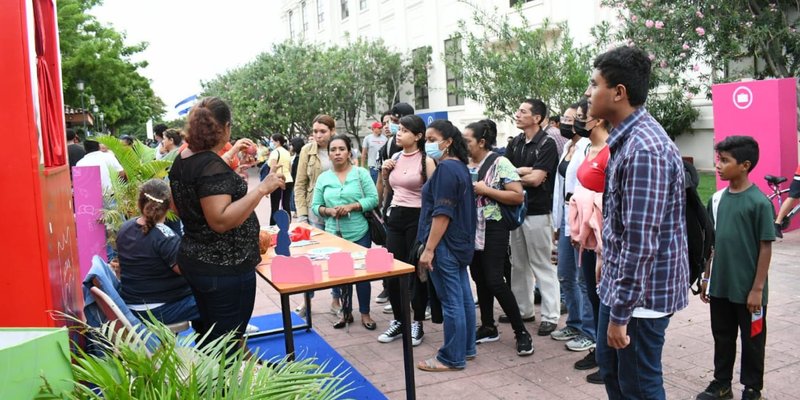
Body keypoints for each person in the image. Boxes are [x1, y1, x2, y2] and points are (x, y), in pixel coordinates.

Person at [588, 46, 688, 399]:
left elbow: (641, 242)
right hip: (623, 287)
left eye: (594, 83)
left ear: (619, 92)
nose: (588, 92)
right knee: (615, 373)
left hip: (641, 297)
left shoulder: (644, 149)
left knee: (639, 386)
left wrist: (620, 314)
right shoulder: (627, 139)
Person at [168, 96, 285, 348]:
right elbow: (220, 221)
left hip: (199, 260)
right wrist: (262, 189)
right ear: (226, 127)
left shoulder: (184, 159)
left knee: (211, 338)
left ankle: (220, 380)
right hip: (222, 269)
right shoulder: (210, 166)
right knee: (227, 344)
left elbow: (182, 201)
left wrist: (232, 155)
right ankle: (226, 386)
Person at [696, 136, 774, 400]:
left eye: (725, 160)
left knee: (753, 341)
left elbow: (765, 247)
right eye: (719, 159)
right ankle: (722, 384)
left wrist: (757, 289)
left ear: (745, 165)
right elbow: (713, 244)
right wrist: (707, 277)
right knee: (723, 337)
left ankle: (753, 388)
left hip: (750, 292)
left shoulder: (759, 203)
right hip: (721, 287)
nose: (718, 165)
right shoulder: (716, 200)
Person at [463, 119, 534, 356]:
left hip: (494, 226)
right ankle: (488, 326)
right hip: (471, 228)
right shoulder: (464, 163)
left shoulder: (500, 162)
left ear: (482, 142)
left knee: (494, 279)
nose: (464, 145)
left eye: (468, 141)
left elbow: (517, 196)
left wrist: (486, 190)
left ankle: (521, 331)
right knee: (479, 278)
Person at [416, 120, 477, 372]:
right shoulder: (459, 167)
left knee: (452, 301)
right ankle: (466, 348)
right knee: (462, 298)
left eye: (432, 140)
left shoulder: (446, 170)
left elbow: (442, 213)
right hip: (458, 242)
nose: (428, 144)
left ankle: (451, 357)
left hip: (445, 244)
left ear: (448, 141)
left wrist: (429, 249)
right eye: (426, 140)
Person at [377, 115, 436, 346]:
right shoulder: (395, 157)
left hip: (417, 217)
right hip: (396, 215)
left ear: (418, 136)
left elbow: (432, 195)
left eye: (404, 130)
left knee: (414, 272)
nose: (398, 133)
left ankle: (417, 321)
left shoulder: (426, 161)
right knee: (392, 270)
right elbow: (388, 188)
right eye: (398, 129)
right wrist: (384, 172)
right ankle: (399, 320)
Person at [503, 98, 560, 337]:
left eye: (523, 111)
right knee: (518, 265)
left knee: (542, 264)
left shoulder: (546, 144)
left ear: (537, 118)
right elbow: (502, 172)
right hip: (516, 212)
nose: (517, 114)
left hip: (538, 211)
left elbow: (537, 180)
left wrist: (519, 175)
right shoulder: (515, 143)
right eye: (518, 110)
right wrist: (523, 172)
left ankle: (550, 316)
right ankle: (523, 310)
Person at [311, 135, 378, 330]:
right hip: (334, 233)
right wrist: (327, 211)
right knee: (340, 275)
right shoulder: (324, 178)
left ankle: (365, 313)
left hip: (359, 232)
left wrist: (353, 206)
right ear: (329, 154)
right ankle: (345, 313)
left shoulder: (360, 174)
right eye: (333, 150)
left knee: (362, 274)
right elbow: (316, 206)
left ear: (349, 152)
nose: (337, 153)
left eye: (341, 149)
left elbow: (374, 199)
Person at [117, 179, 200, 326]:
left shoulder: (125, 228)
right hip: (158, 310)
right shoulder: (164, 235)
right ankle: (225, 343)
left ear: (140, 203)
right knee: (217, 297)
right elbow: (188, 270)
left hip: (132, 306)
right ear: (170, 206)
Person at [569, 98, 612, 384]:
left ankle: (610, 358)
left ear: (596, 120)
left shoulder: (610, 151)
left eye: (582, 116)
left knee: (603, 294)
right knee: (592, 291)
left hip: (602, 239)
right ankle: (600, 350)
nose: (576, 120)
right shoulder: (588, 148)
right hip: (586, 236)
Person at [549, 102, 594, 354]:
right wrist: (558, 222)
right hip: (566, 217)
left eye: (574, 118)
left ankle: (589, 330)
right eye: (567, 118)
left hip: (582, 218)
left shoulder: (589, 147)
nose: (568, 122)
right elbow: (560, 187)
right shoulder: (567, 146)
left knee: (583, 278)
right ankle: (575, 323)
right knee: (565, 273)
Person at [293, 115, 341, 316]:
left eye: (323, 131)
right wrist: (302, 216)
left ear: (332, 131)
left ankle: (336, 300)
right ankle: (307, 299)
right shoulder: (307, 150)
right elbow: (300, 184)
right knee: (310, 258)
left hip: (337, 211)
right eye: (315, 131)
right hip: (314, 212)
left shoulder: (340, 147)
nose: (318, 135)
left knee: (337, 258)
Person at [267, 134, 293, 225]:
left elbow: (273, 168)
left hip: (277, 180)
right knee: (286, 205)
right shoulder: (287, 152)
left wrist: (267, 184)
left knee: (275, 205)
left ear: (277, 141)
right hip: (288, 180)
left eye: (272, 141)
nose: (271, 143)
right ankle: (288, 225)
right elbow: (289, 168)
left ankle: (273, 226)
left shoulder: (275, 152)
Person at [289, 136, 305, 218]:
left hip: (298, 181)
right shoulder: (296, 156)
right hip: (294, 180)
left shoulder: (301, 157)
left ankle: (298, 211)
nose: (290, 147)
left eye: (291, 145)